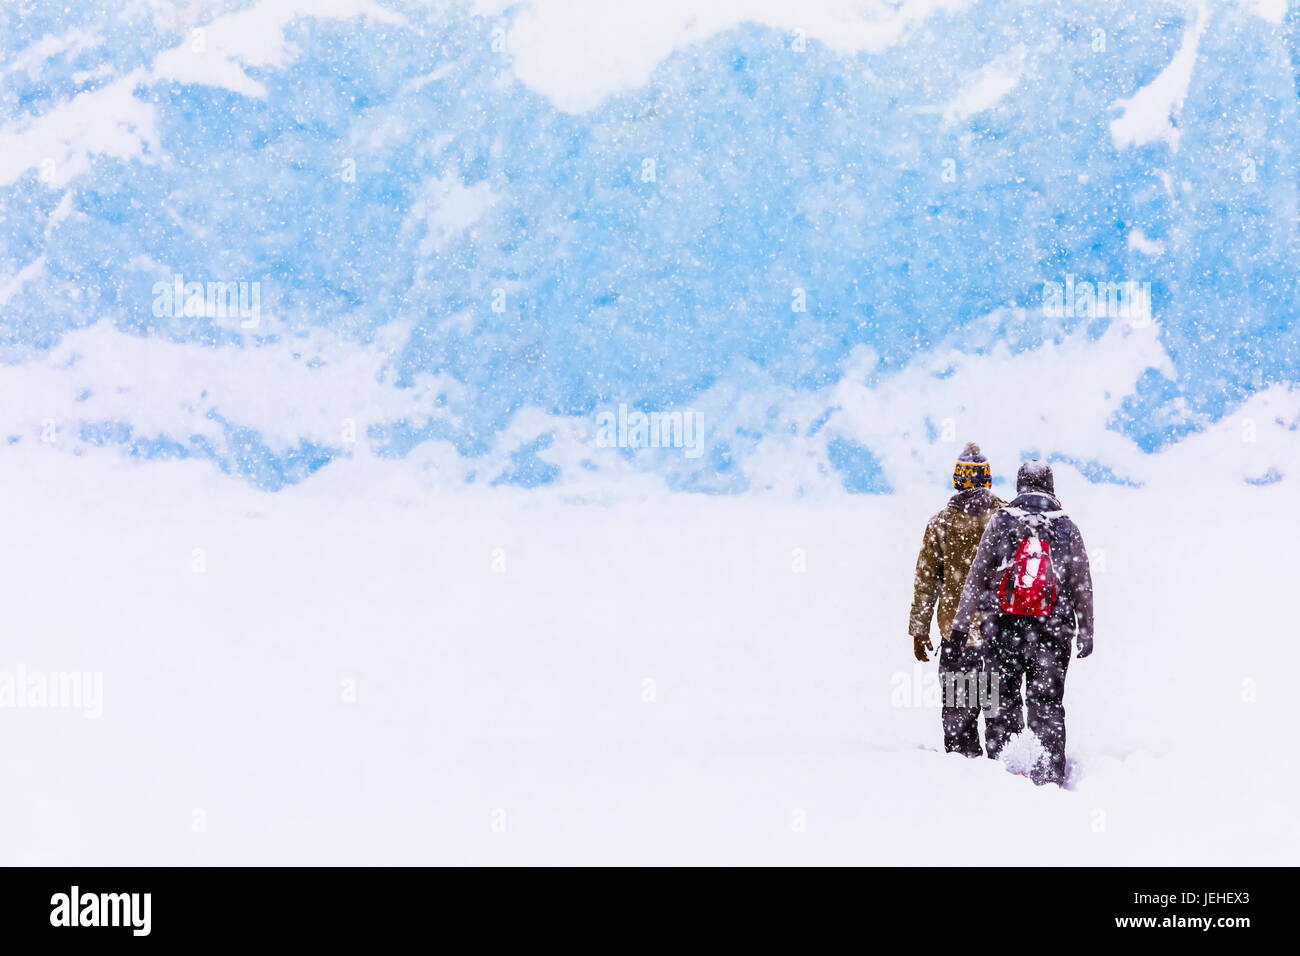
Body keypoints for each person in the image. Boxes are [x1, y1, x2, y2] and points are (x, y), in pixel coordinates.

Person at [949, 460, 1094, 785]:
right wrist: (1086, 631)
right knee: (1047, 703)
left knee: (1002, 700)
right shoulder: (1065, 526)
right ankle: (1048, 771)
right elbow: (1081, 582)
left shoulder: (1001, 521)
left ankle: (1004, 769)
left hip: (1002, 630)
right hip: (1052, 632)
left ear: (1019, 486)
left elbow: (976, 576)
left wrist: (960, 626)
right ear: (1051, 487)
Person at [908, 442, 1004, 755]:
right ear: (987, 480)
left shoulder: (940, 523)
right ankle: (1007, 774)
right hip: (1000, 631)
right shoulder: (1006, 518)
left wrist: (919, 628)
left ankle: (962, 772)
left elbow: (926, 581)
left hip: (956, 633)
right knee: (999, 714)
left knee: (958, 718)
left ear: (957, 480)